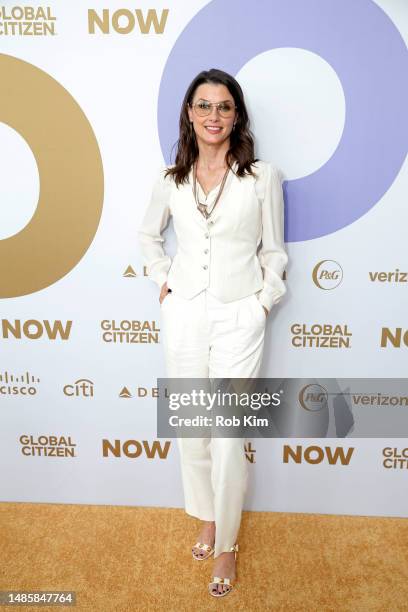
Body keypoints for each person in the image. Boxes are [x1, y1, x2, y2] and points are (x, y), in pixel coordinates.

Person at [138, 67, 288, 598]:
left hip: (239, 315)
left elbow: (274, 250)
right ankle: (206, 516)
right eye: (204, 105)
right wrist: (164, 280)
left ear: (237, 115)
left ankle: (226, 544)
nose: (213, 116)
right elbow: (147, 237)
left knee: (227, 434)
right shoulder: (170, 179)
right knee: (192, 428)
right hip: (183, 314)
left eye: (224, 107)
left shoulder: (261, 176)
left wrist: (262, 302)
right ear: (189, 113)